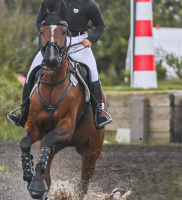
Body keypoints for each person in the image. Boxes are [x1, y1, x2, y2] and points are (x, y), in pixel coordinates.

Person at [7, 0, 111, 128]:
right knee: (31, 72)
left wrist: (90, 39)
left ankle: (98, 114)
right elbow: (39, 21)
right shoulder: (50, 2)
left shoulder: (89, 4)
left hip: (79, 43)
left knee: (93, 73)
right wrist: (46, 34)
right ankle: (23, 113)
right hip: (54, 43)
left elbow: (100, 26)